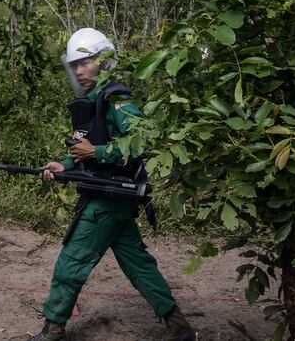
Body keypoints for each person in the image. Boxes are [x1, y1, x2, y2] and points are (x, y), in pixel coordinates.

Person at [29, 28, 196, 341]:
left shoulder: (116, 100)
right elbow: (87, 149)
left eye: (86, 62)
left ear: (104, 61)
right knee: (139, 264)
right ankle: (179, 327)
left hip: (106, 201)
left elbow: (142, 140)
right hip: (112, 200)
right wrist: (64, 165)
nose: (79, 71)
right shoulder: (94, 101)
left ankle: (53, 330)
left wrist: (97, 152)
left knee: (71, 263)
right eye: (74, 65)